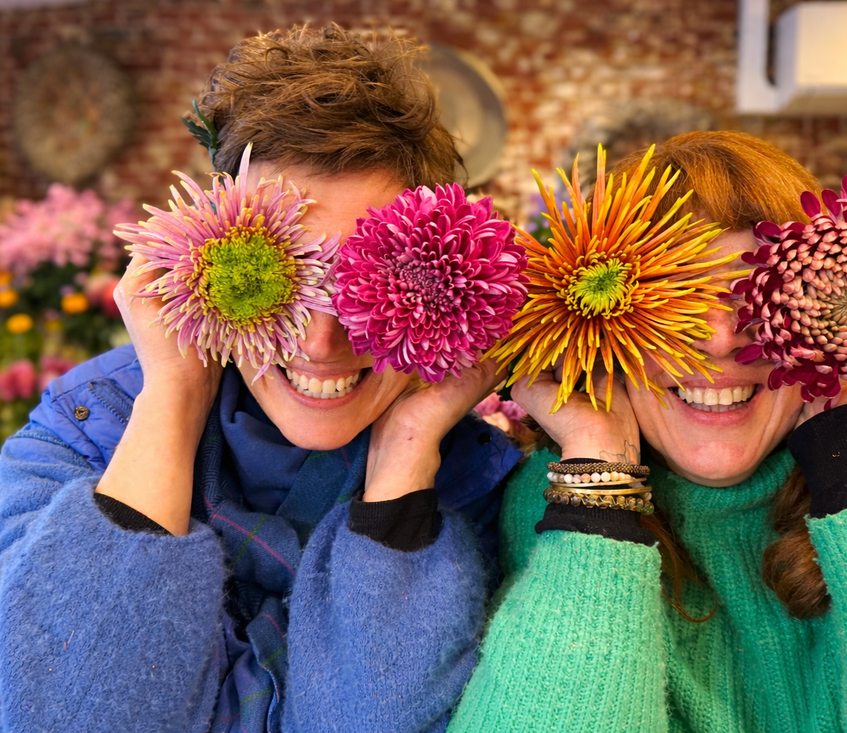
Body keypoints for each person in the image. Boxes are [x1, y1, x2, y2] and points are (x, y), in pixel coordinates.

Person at [448, 131, 847, 732]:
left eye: (753, 296)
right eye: (672, 302)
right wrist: (598, 472)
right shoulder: (558, 493)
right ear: (596, 325)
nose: (719, 338)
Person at [0, 25, 521, 733]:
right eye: (284, 273)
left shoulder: (473, 490)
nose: (321, 339)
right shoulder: (77, 437)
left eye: (371, 282)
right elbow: (51, 713)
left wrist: (406, 449)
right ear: (206, 256)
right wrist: (173, 396)